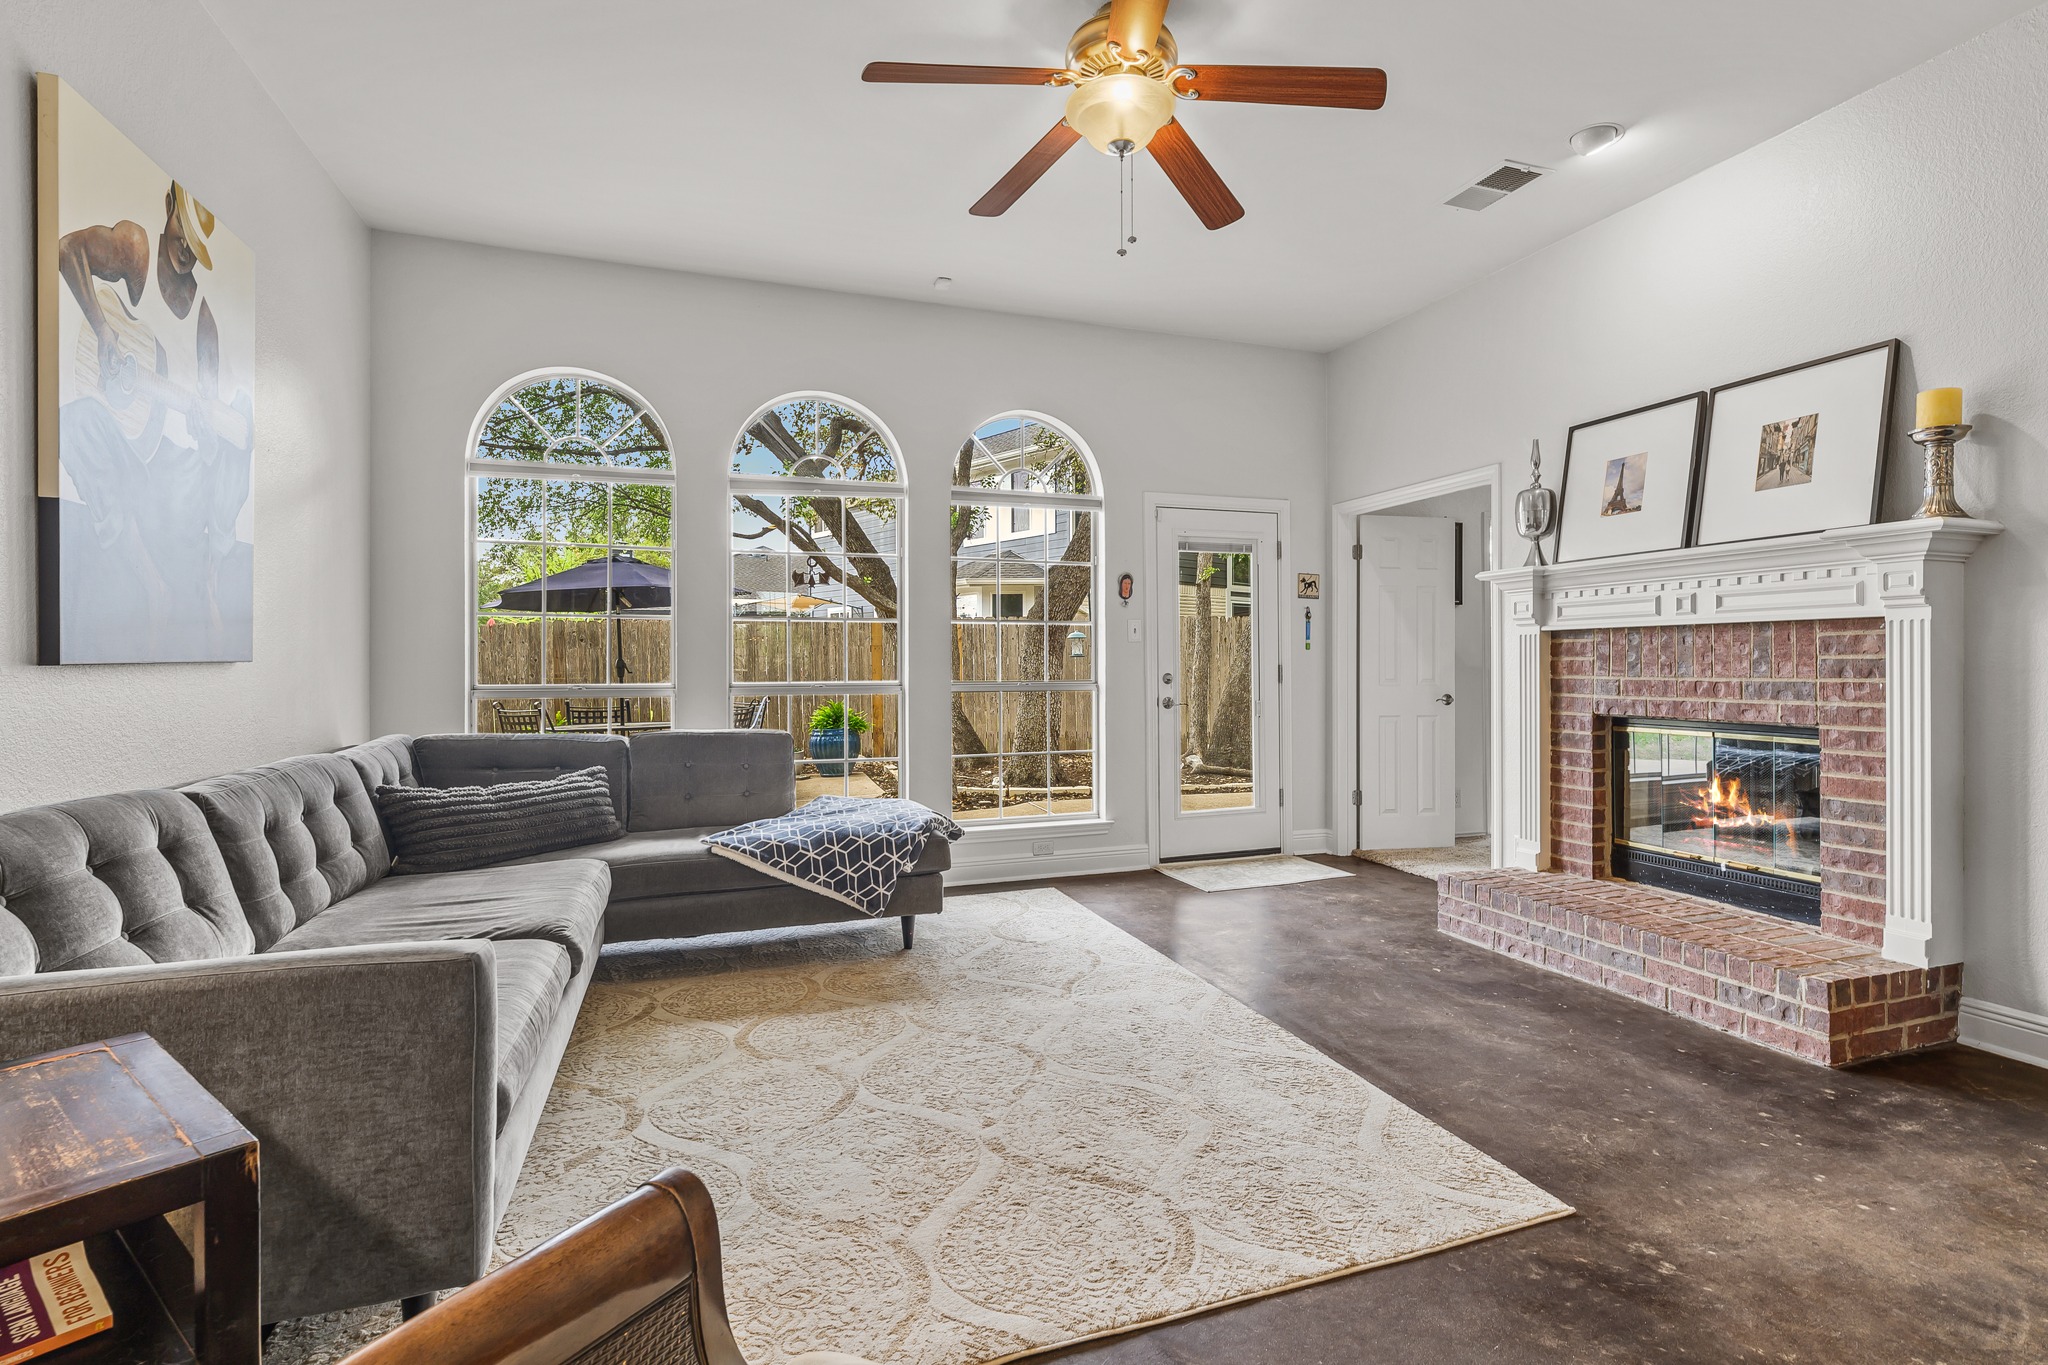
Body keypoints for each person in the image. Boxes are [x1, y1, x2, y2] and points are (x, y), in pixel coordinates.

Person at [56, 181, 253, 660]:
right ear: (169, 207)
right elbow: (67, 251)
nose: (185, 250)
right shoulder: (135, 250)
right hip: (122, 440)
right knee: (73, 423)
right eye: (182, 232)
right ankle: (150, 581)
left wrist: (208, 439)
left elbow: (206, 426)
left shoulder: (203, 318)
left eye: (196, 248)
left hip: (170, 463)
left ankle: (211, 568)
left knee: (239, 421)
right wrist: (104, 333)